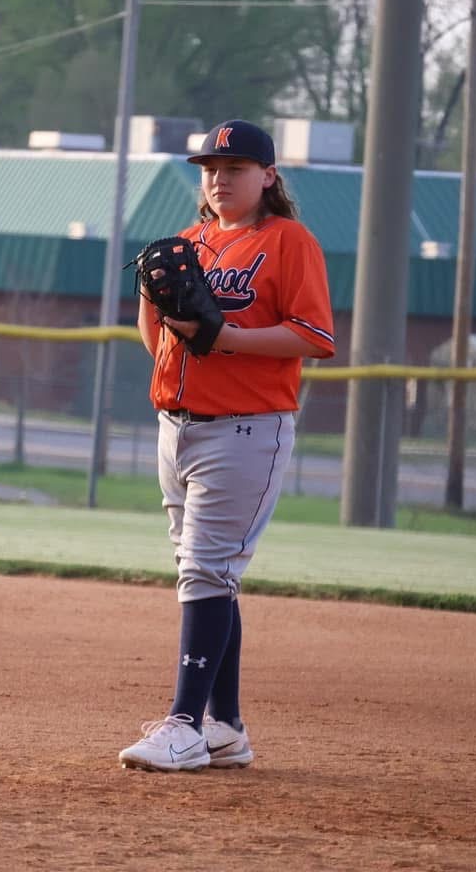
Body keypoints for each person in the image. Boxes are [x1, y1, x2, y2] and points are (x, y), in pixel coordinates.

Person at [118, 119, 336, 772]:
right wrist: (166, 327)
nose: (219, 179)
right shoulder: (189, 242)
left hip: (246, 427)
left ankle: (185, 725)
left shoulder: (288, 241)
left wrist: (225, 339)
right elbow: (156, 332)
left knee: (205, 571)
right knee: (208, 572)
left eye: (235, 167)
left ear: (268, 176)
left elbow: (315, 336)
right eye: (211, 168)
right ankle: (226, 727)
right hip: (176, 425)